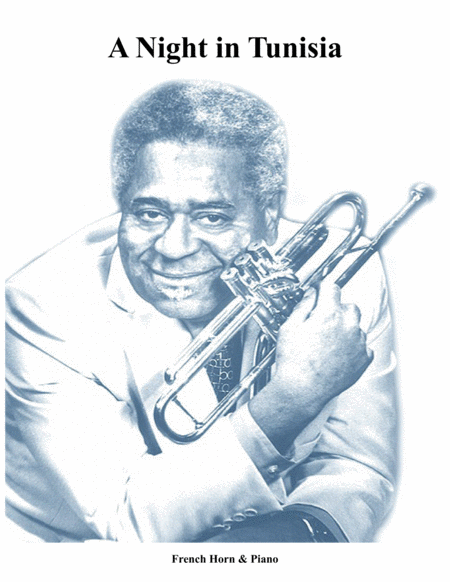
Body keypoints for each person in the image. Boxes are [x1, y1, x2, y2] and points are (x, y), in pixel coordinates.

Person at [5, 80, 397, 543]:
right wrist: (292, 398)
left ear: (270, 214)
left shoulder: (346, 272)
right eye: (150, 213)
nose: (174, 248)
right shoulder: (43, 303)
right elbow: (125, 519)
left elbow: (354, 465)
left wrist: (300, 532)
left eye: (212, 217)